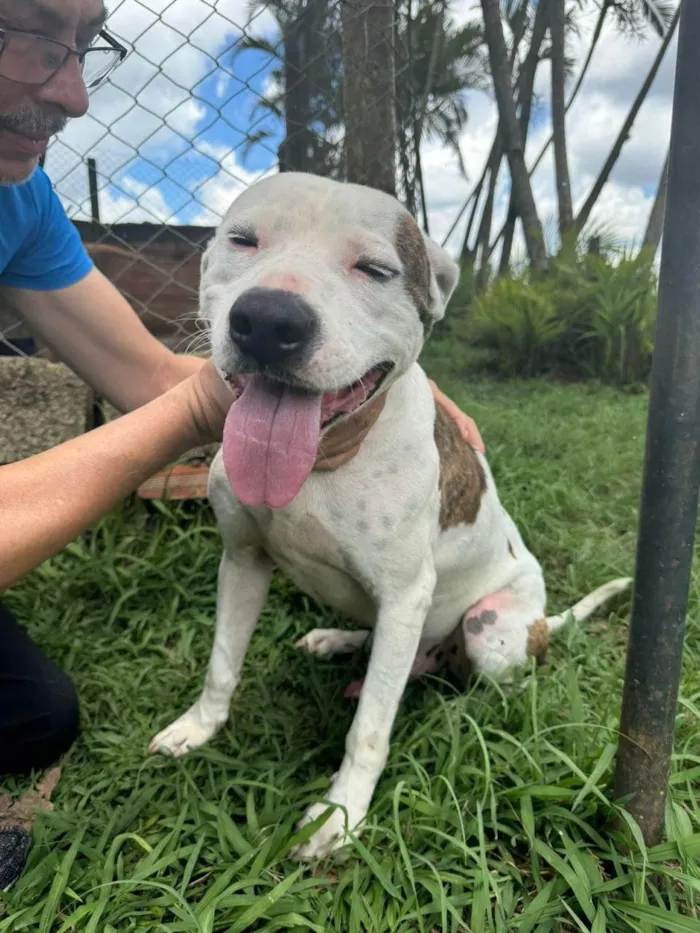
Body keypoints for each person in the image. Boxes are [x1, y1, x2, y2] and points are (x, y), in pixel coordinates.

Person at [0, 0, 484, 779]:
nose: (72, 93)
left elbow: (157, 376)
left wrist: (389, 377)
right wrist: (205, 404)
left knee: (33, 716)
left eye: (86, 46)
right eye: (16, 28)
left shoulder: (18, 199)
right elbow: (188, 400)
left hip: (465, 600)